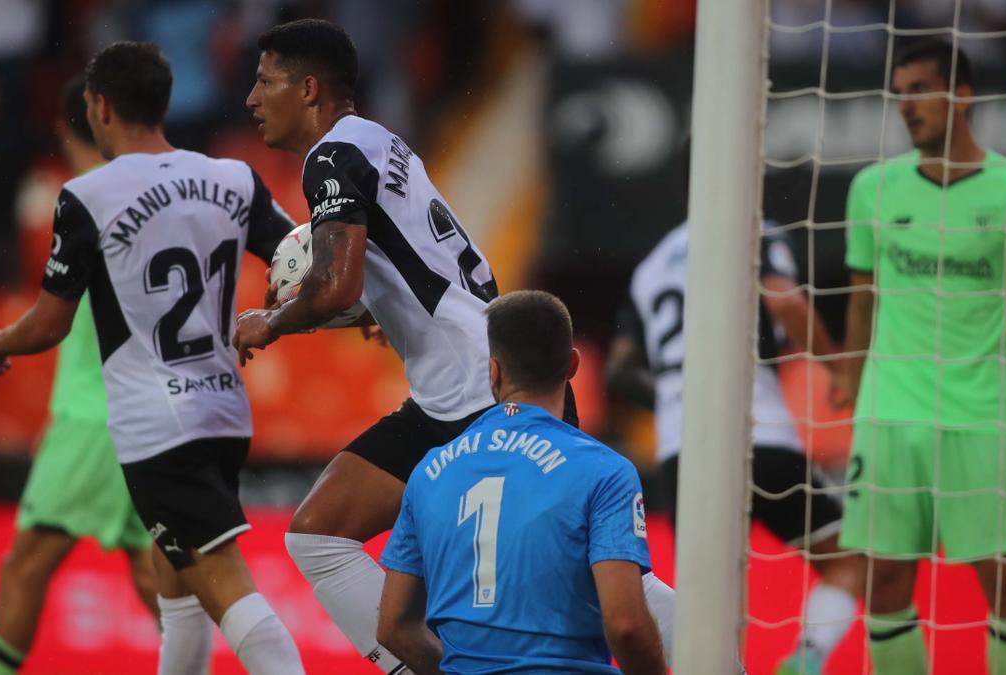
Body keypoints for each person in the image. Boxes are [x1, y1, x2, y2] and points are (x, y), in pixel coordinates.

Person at [237, 19, 691, 673]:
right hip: (468, 379)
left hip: (478, 388)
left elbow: (336, 285)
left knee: (562, 554)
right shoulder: (379, 142)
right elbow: (384, 277)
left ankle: (710, 652)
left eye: (265, 80)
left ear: (308, 89)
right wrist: (368, 308)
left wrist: (269, 322)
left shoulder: (331, 158)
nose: (252, 98)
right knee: (319, 531)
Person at [0, 43, 304, 675]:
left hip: (158, 426)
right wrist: (312, 314)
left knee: (232, 597)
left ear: (99, 108)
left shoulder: (88, 195)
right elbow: (298, 257)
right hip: (225, 415)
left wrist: (1, 344)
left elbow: (50, 323)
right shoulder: (233, 177)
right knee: (172, 587)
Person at [833, 39, 1006, 675]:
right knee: (883, 586)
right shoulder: (871, 189)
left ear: (961, 95)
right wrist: (852, 386)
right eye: (899, 92)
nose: (905, 105)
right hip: (889, 418)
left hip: (982, 420)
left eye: (918, 90)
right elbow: (862, 300)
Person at [606, 219, 864, 675]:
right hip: (758, 435)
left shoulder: (650, 266)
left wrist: (674, 396)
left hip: (682, 449)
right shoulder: (751, 227)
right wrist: (837, 367)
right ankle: (807, 658)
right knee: (849, 562)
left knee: (706, 608)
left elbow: (620, 371)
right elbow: (784, 300)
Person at [0, 76, 156, 675]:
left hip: (93, 421)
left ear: (71, 127)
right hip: (149, 417)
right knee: (155, 576)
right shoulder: (160, 199)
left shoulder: (86, 199)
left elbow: (53, 320)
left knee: (24, 567)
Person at [376, 290, 667, 675]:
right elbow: (627, 626)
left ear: (493, 371)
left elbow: (392, 626)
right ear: (573, 365)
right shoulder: (605, 471)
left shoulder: (430, 470)